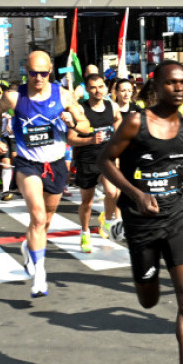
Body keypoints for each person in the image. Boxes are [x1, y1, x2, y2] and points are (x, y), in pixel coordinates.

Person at [98, 62, 183, 364]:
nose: (179, 88)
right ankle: (127, 243)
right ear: (156, 87)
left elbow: (177, 163)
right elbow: (105, 161)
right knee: (148, 300)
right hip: (142, 220)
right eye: (171, 83)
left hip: (176, 217)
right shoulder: (135, 122)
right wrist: (134, 193)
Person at [0, 51, 90, 298]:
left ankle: (28, 246)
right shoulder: (14, 97)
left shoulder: (64, 95)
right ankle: (39, 275)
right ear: (26, 70)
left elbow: (86, 125)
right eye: (33, 73)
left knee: (45, 221)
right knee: (37, 216)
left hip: (55, 165)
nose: (38, 78)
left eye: (43, 73)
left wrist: (72, 122)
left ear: (50, 71)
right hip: (27, 164)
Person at [68, 73, 122, 252]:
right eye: (93, 87)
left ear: (105, 88)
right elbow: (71, 138)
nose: (97, 90)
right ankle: (84, 232)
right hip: (87, 160)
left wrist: (117, 135)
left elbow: (118, 119)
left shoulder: (112, 106)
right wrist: (90, 140)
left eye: (100, 87)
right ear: (87, 89)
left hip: (107, 158)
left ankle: (106, 222)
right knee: (87, 202)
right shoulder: (81, 110)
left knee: (112, 192)